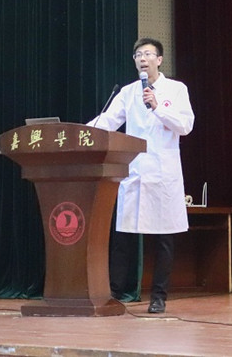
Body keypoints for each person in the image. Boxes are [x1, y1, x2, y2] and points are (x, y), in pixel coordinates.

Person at [88, 37, 194, 313]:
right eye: (138, 55)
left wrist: (158, 107)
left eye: (147, 54)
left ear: (159, 60)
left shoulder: (176, 89)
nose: (142, 58)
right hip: (134, 173)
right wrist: (84, 132)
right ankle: (114, 294)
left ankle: (159, 297)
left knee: (164, 239)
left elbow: (185, 126)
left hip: (163, 175)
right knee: (123, 239)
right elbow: (109, 121)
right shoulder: (128, 92)